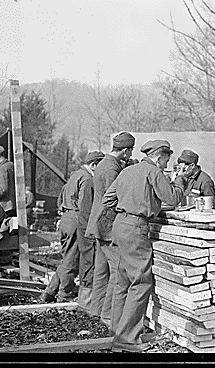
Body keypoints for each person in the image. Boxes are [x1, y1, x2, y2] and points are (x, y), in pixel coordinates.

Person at [105, 139, 190, 351]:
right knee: (141, 282)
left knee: (122, 282)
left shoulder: (127, 171)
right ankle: (126, 340)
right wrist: (179, 180)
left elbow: (108, 199)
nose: (164, 166)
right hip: (136, 228)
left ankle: (116, 332)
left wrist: (130, 204)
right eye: (165, 161)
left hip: (119, 226)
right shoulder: (153, 172)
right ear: (159, 157)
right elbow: (173, 197)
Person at [40, 151, 104, 304]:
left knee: (67, 258)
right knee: (72, 260)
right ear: (94, 165)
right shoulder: (88, 179)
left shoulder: (75, 175)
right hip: (76, 219)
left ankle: (50, 292)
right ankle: (64, 294)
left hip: (66, 218)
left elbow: (60, 198)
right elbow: (85, 206)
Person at [85, 131, 136, 324]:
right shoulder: (111, 169)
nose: (130, 155)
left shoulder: (106, 164)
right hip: (107, 225)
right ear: (124, 150)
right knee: (117, 271)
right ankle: (108, 315)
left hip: (99, 223)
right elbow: (113, 197)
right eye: (130, 151)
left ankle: (96, 310)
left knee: (101, 270)